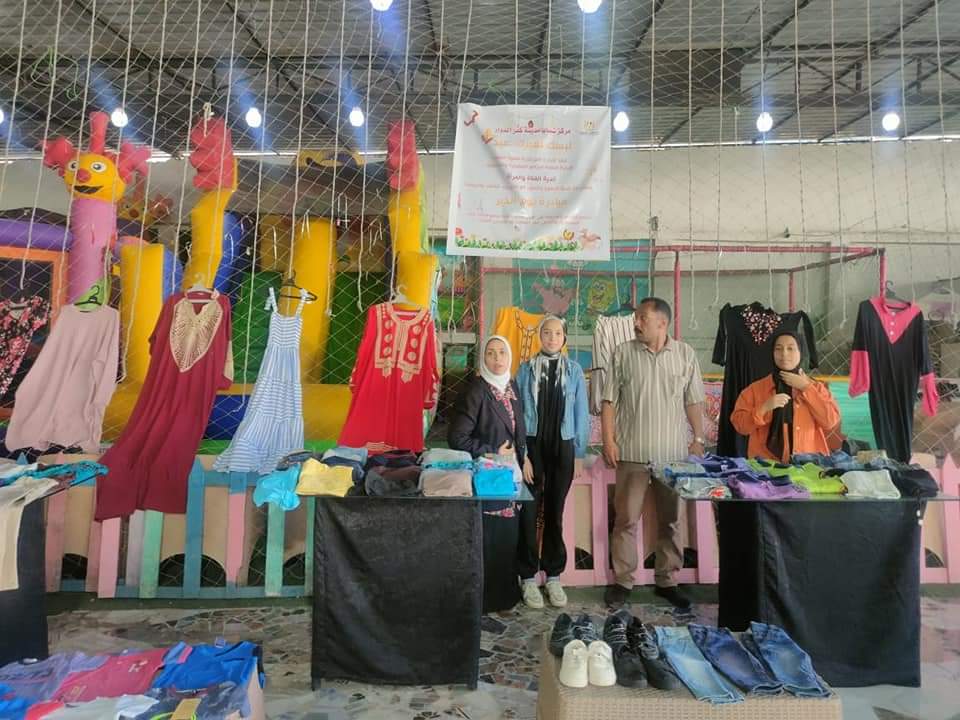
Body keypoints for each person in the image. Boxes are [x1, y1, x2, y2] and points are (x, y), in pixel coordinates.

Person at [601, 298, 706, 610]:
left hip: (672, 457)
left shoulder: (685, 354)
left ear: (662, 322)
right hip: (632, 453)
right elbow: (609, 401)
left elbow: (694, 401)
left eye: (642, 318)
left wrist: (698, 438)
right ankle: (623, 581)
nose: (636, 323)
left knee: (672, 520)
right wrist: (609, 440)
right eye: (636, 318)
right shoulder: (622, 353)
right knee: (625, 519)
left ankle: (668, 580)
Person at [515, 315, 589, 609]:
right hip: (533, 445)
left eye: (558, 333)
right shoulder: (525, 369)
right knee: (529, 511)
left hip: (563, 445)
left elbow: (581, 414)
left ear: (564, 338)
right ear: (540, 336)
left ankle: (554, 575)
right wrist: (522, 454)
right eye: (547, 332)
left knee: (555, 511)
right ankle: (527, 576)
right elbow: (517, 414)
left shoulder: (574, 371)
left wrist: (579, 453)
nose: (552, 338)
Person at [448, 335, 526, 612]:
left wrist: (524, 458)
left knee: (506, 540)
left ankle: (504, 598)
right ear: (483, 358)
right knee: (489, 540)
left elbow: (517, 430)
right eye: (490, 353)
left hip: (510, 477)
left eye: (502, 352)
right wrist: (492, 451)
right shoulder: (477, 391)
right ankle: (483, 603)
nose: (497, 358)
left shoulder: (511, 387)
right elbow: (457, 438)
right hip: (487, 478)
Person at [730, 330, 840, 462]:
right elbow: (740, 426)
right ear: (772, 353)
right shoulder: (756, 389)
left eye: (791, 348)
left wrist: (806, 388)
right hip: (766, 466)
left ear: (801, 352)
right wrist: (764, 408)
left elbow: (830, 421)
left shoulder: (816, 388)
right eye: (778, 349)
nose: (784, 354)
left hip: (808, 466)